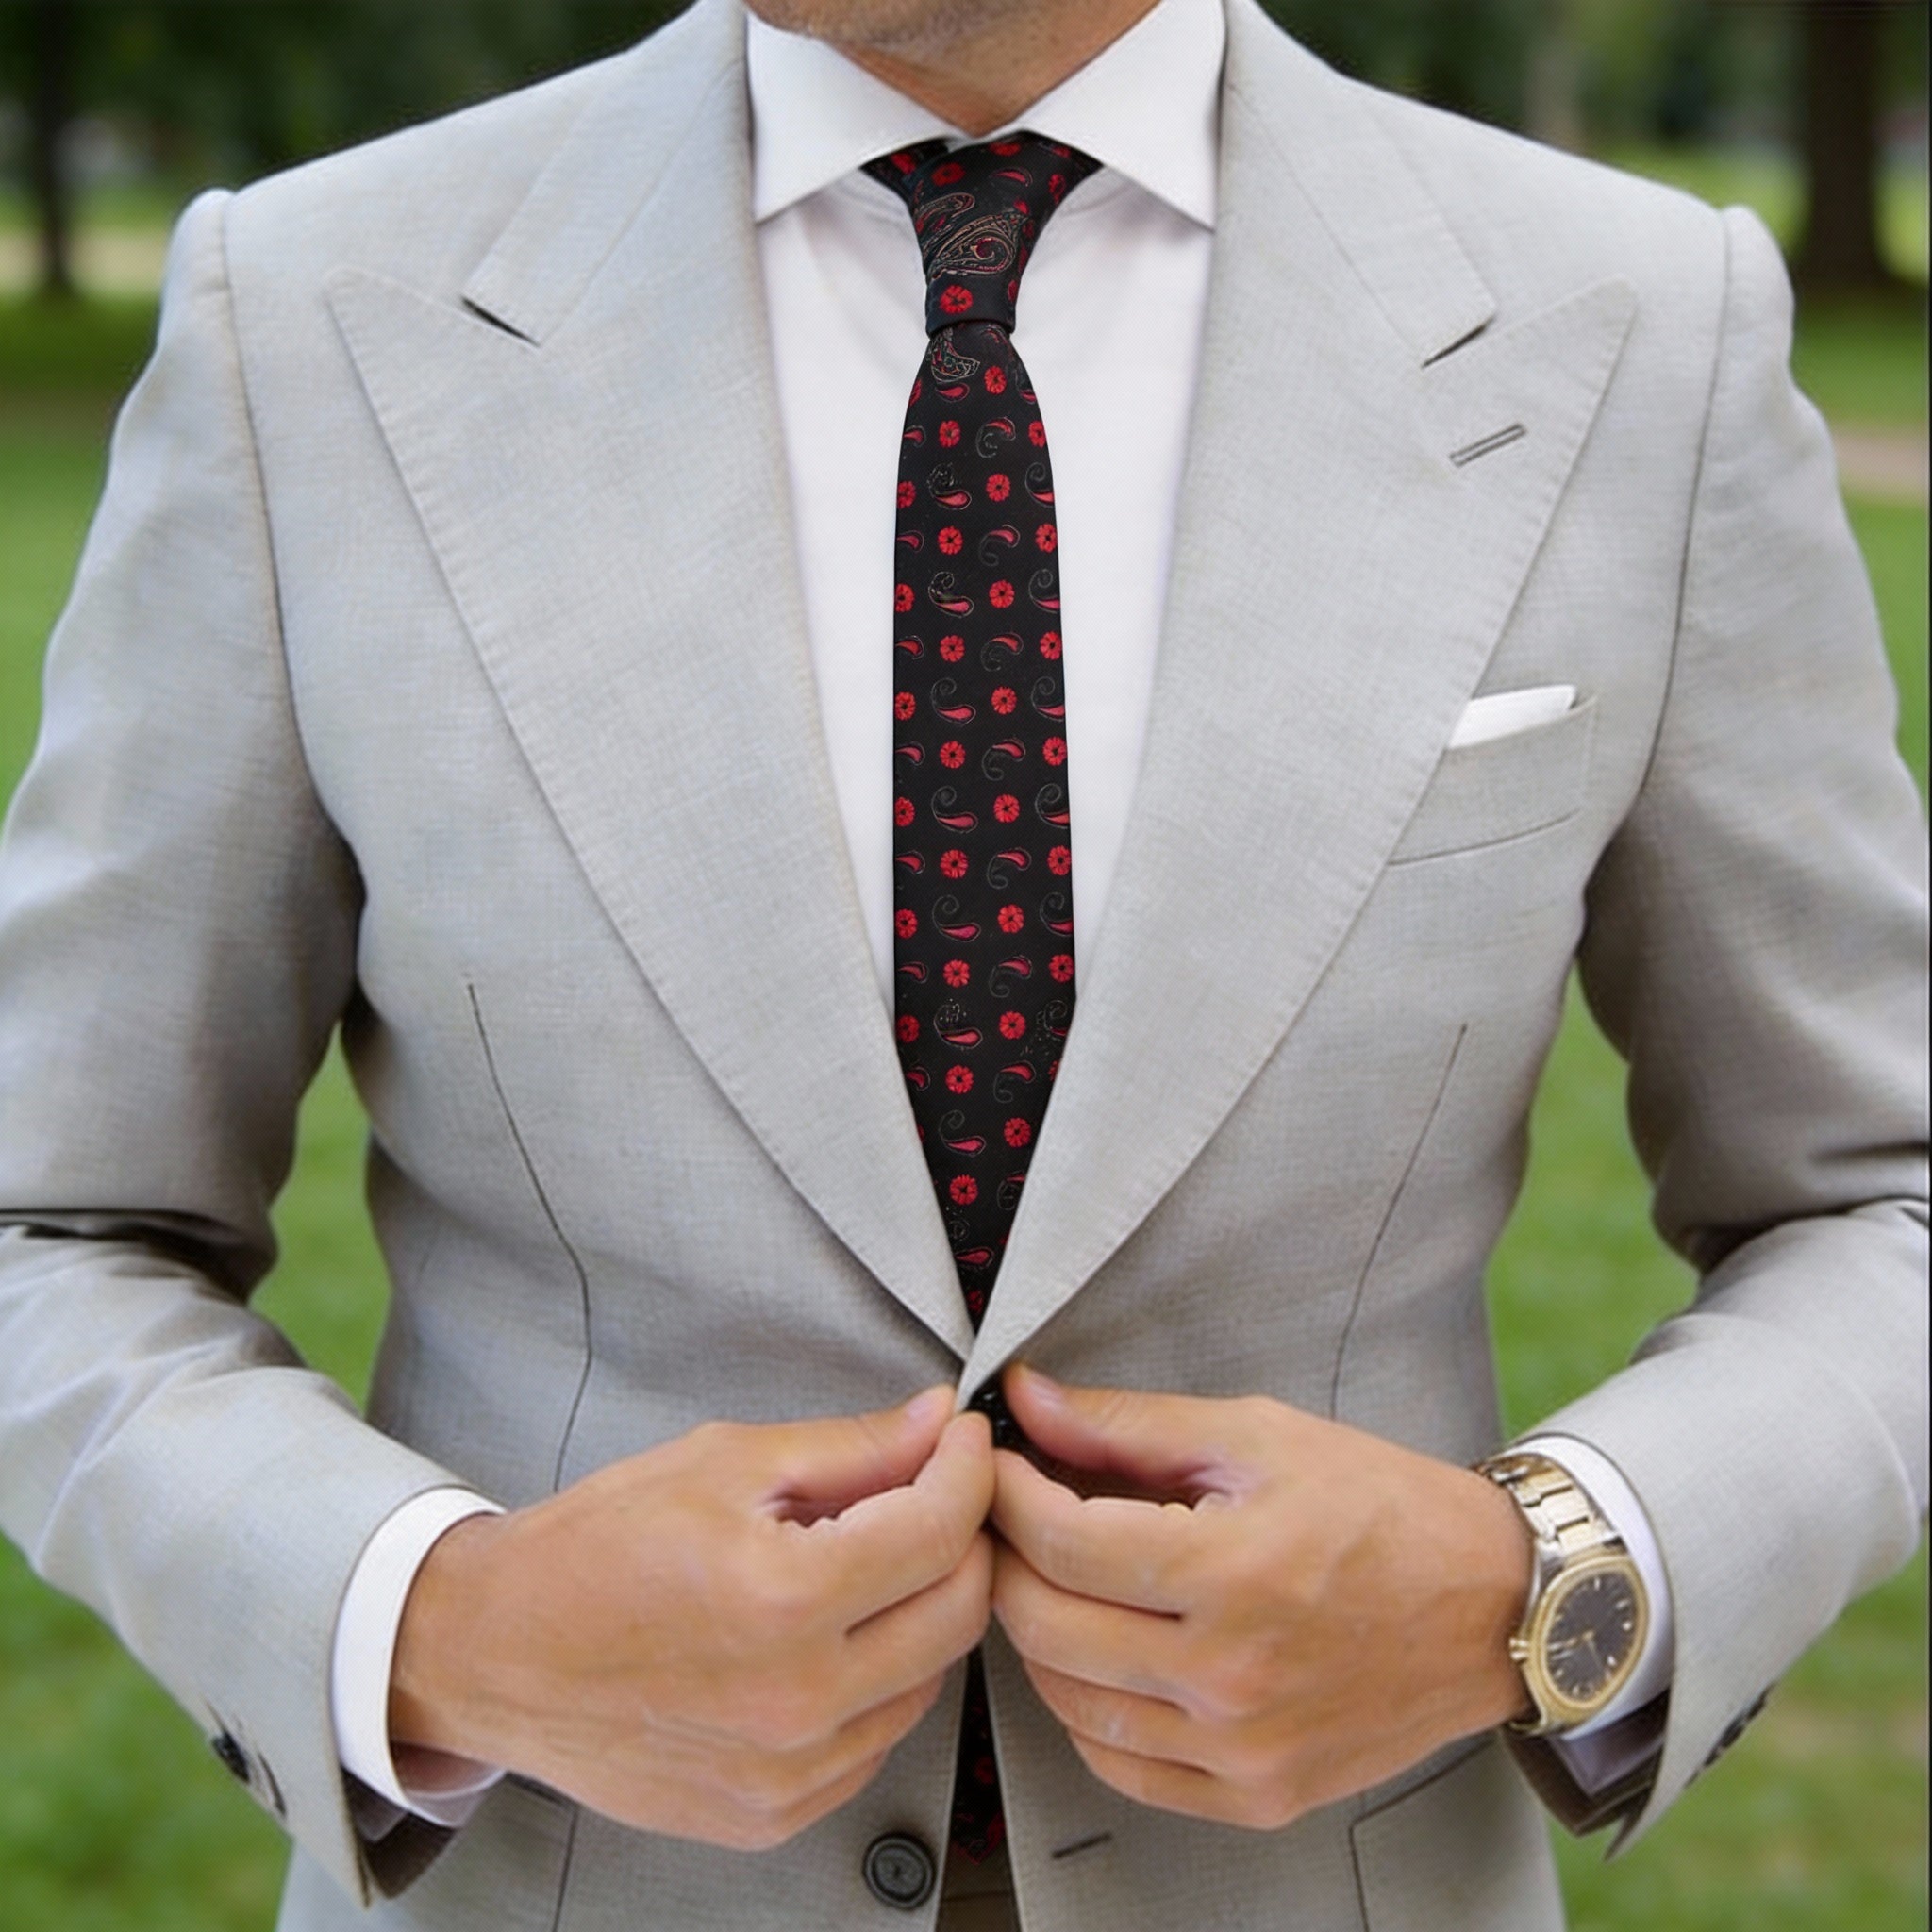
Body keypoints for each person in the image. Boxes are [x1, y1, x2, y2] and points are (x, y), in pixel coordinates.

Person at [0, 0, 1924, 1925]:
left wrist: (1542, 1583)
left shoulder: (1639, 326)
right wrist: (440, 1623)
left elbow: (1877, 1198)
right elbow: (53, 1225)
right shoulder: (311, 310)